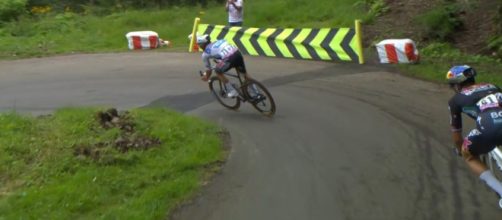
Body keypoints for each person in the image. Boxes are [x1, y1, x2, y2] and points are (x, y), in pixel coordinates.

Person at [446, 65, 502, 208]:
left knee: (468, 154)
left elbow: (457, 135)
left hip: (490, 126)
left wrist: (459, 149)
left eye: (452, 85)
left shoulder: (455, 100)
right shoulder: (493, 86)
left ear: (458, 85)